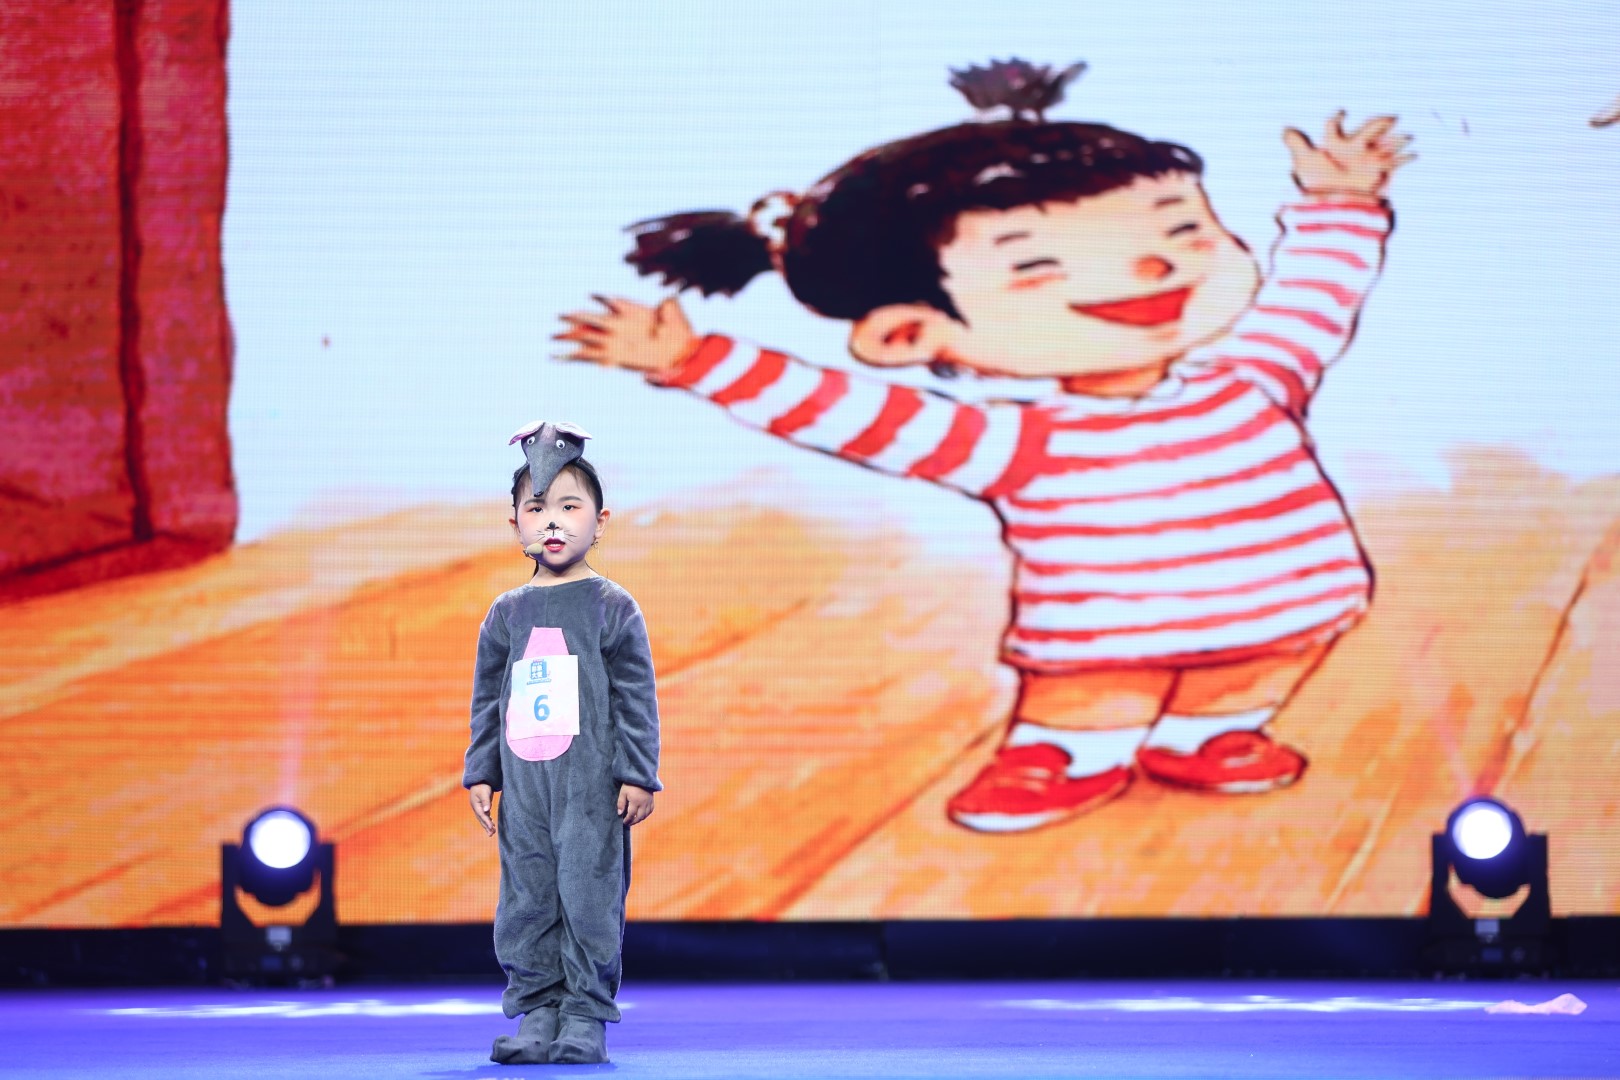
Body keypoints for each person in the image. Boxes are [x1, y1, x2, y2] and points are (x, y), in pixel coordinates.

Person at [557, 59, 1410, 834]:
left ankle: (1208, 736)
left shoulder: (1256, 376)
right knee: (1095, 698)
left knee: (1258, 671)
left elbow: (1314, 295)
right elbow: (846, 410)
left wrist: (1340, 203)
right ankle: (1066, 755)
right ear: (909, 334)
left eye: (1183, 230)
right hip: (1107, 634)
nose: (1155, 268)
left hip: (1295, 605)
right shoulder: (1015, 441)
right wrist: (699, 361)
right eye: (1040, 266)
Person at [463, 426, 660, 1065]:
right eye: (536, 507)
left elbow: (635, 694)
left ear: (599, 522)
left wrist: (637, 771)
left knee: (588, 893)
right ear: (516, 524)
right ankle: (537, 1012)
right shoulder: (506, 612)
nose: (552, 521)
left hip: (589, 782)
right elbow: (488, 699)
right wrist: (481, 771)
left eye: (569, 506)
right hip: (525, 784)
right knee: (526, 897)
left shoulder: (612, 605)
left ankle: (584, 1015)